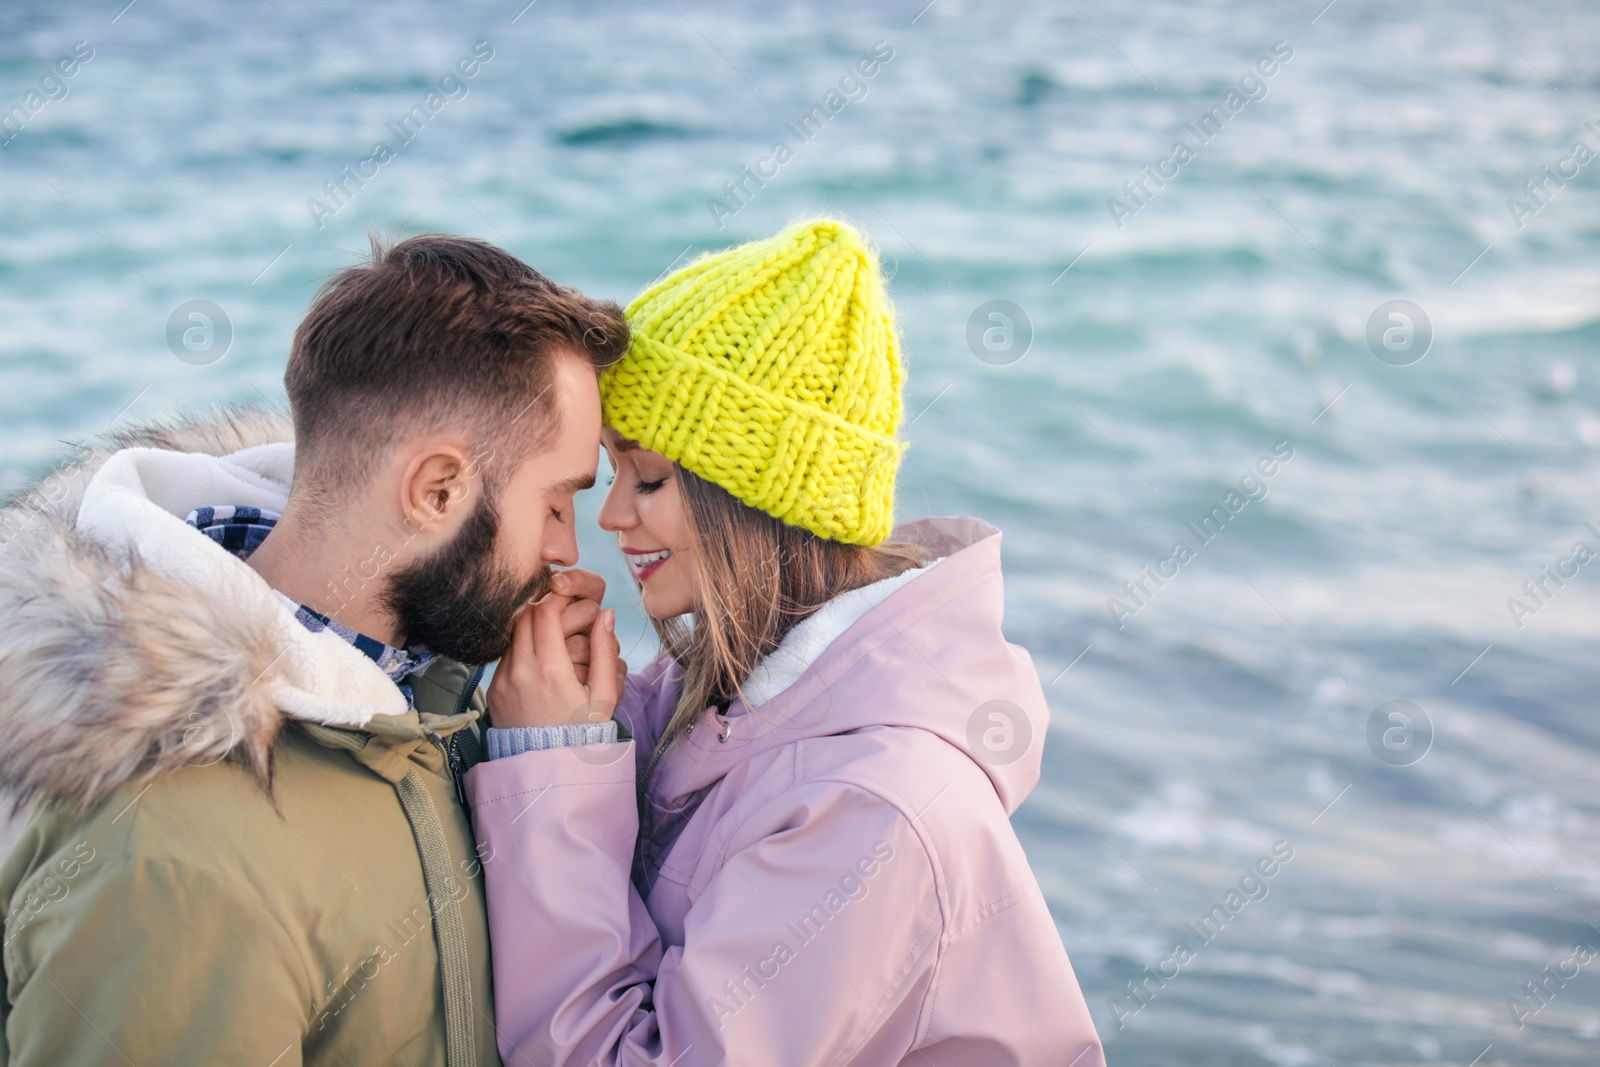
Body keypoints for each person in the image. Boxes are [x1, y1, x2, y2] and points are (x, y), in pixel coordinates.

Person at [467, 219, 1106, 1066]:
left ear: (759, 502)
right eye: (612, 474)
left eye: (649, 478)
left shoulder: (877, 809)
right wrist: (595, 717)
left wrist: (550, 760)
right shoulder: (725, 694)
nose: (614, 516)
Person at [0, 234, 628, 1065]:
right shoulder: (172, 868)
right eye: (555, 503)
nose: (567, 551)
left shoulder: (428, 697)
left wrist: (540, 751)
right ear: (436, 490)